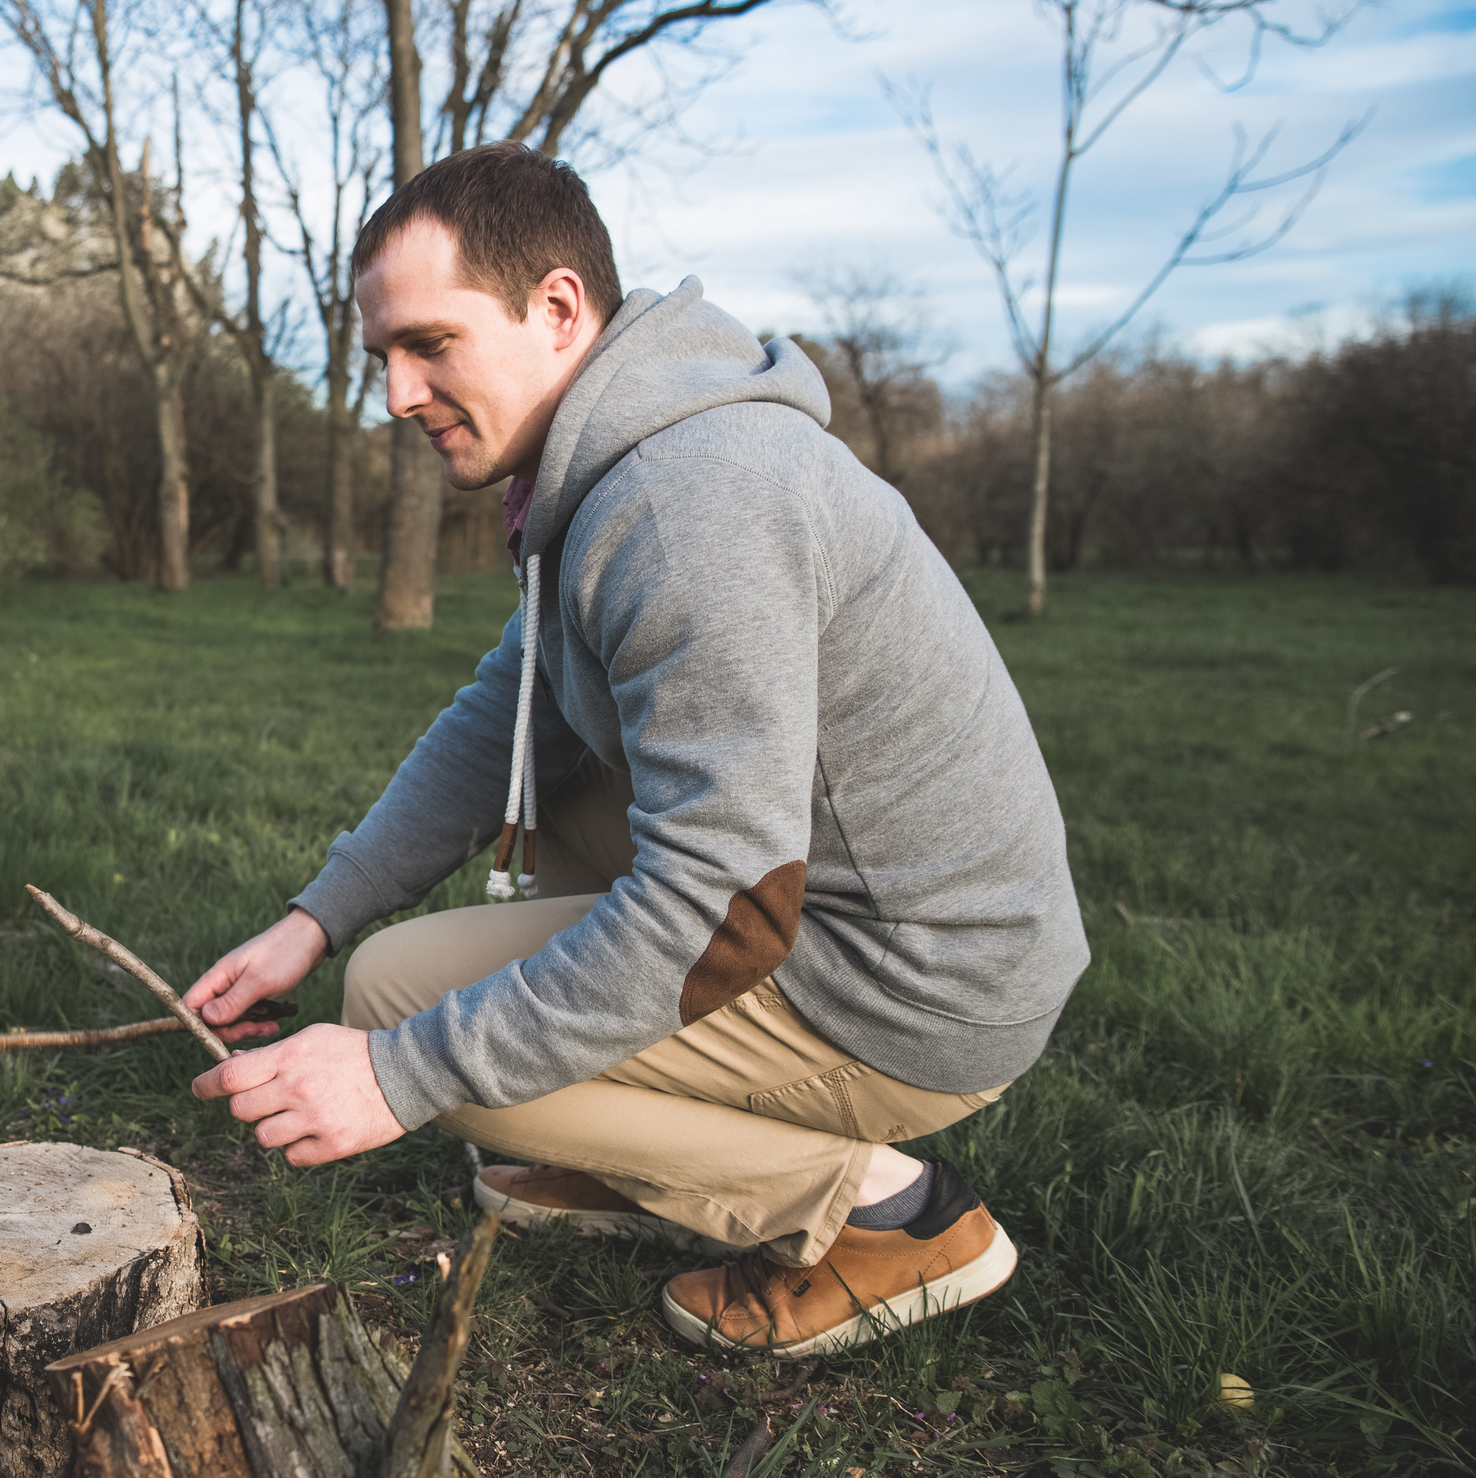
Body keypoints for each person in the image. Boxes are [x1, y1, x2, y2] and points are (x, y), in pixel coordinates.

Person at [184, 143, 1087, 1358]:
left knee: (399, 1005)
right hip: (828, 910)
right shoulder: (604, 468)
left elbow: (725, 903)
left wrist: (401, 1074)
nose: (396, 393)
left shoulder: (683, 504)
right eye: (380, 357)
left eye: (430, 345)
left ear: (557, 308)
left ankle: (876, 1216)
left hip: (911, 979)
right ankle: (637, 1143)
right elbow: (503, 722)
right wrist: (316, 913)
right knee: (447, 905)